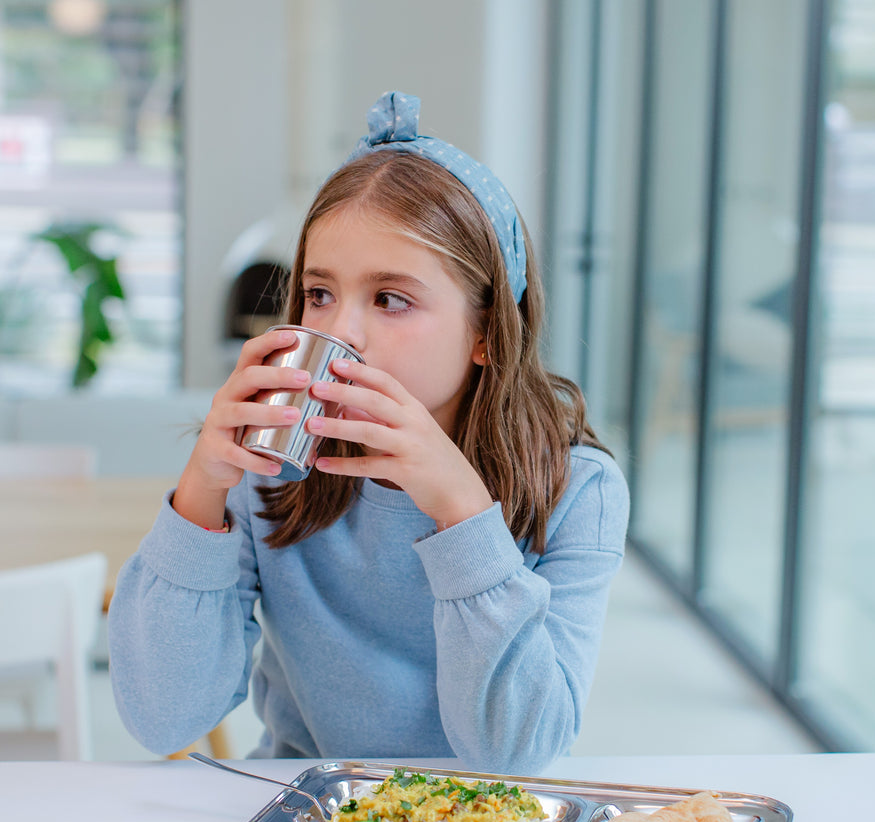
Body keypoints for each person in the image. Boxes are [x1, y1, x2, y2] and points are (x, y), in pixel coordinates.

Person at [108, 92, 629, 774]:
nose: (338, 333)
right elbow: (163, 719)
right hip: (306, 811)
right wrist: (201, 493)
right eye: (319, 294)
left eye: (390, 299)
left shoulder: (578, 489)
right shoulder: (272, 468)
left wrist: (463, 515)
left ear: (486, 331)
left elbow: (519, 752)